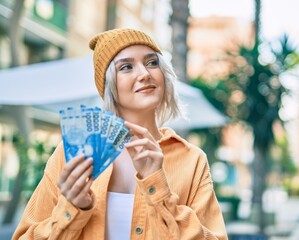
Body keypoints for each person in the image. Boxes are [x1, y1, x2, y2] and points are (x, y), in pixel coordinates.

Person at [12, 28, 228, 239]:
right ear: (108, 85)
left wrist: (158, 189)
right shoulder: (71, 155)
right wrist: (72, 208)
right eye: (126, 67)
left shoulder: (192, 161)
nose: (144, 74)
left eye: (152, 62)